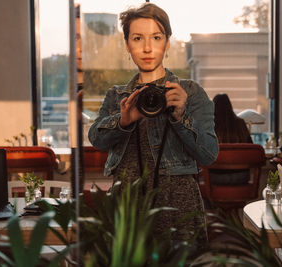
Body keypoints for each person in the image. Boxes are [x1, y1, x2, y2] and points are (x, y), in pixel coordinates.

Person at [88, 3, 218, 244]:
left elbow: (209, 154)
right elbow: (96, 139)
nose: (147, 48)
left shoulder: (189, 92)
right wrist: (123, 120)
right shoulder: (117, 96)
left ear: (167, 43)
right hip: (126, 201)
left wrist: (181, 116)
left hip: (178, 202)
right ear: (127, 44)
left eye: (156, 37)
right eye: (137, 38)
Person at [210, 93, 252, 185]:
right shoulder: (241, 124)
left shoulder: (209, 126)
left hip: (215, 178)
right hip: (241, 177)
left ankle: (210, 199)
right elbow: (251, 150)